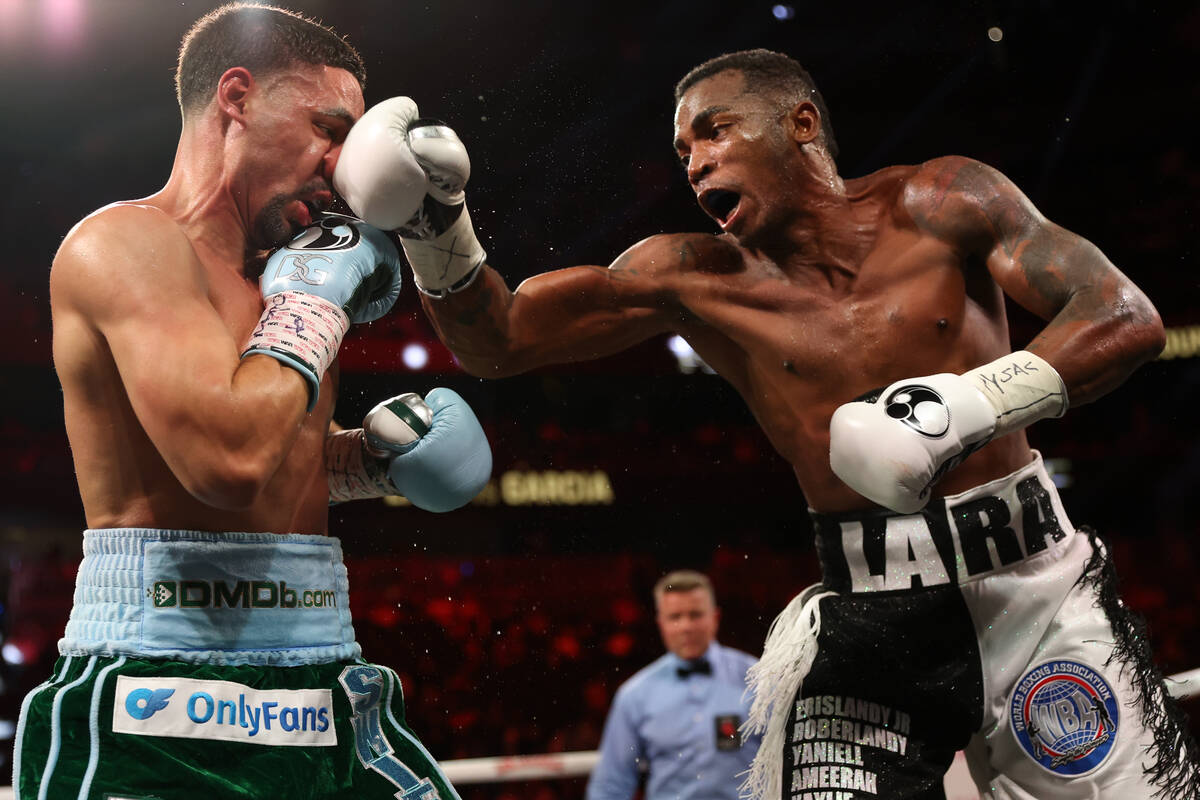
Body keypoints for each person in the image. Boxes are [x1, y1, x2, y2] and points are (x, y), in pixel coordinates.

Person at [331, 48, 1199, 800]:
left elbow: (1122, 314)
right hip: (871, 620)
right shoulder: (695, 274)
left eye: (713, 132)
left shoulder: (943, 199)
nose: (693, 163)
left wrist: (967, 405)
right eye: (681, 151)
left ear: (803, 124)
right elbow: (505, 340)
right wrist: (433, 221)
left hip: (1041, 595)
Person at [13, 5, 491, 799]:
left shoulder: (287, 269)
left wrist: (370, 463)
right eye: (327, 129)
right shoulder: (125, 245)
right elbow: (227, 462)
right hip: (155, 689)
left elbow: (275, 451)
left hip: (323, 671)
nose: (343, 168)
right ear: (236, 97)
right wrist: (313, 306)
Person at [586, 570, 761, 800]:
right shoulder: (635, 695)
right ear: (661, 623)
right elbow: (611, 784)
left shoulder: (758, 679)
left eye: (695, 615)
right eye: (675, 617)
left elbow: (795, 758)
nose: (686, 626)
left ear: (715, 618)